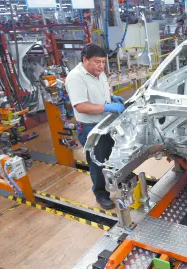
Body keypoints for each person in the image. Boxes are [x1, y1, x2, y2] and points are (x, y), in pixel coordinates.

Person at [65, 44, 125, 210]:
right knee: (97, 163)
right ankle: (101, 194)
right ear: (85, 60)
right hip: (91, 128)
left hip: (107, 123)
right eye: (97, 62)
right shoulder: (76, 77)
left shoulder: (99, 73)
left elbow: (101, 92)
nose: (101, 66)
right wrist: (108, 107)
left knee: (114, 155)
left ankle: (118, 181)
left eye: (103, 62)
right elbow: (81, 106)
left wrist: (112, 98)